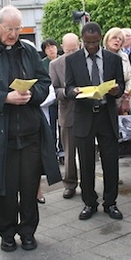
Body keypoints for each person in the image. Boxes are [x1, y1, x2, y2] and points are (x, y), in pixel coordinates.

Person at [0, 6, 61, 252]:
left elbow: (44, 82)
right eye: (9, 29)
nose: (14, 34)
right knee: (3, 189)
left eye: (18, 28)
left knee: (29, 187)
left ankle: (28, 231)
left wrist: (33, 94)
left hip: (28, 133)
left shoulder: (28, 50)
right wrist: (4, 98)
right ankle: (7, 233)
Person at [65, 22, 125, 220]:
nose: (91, 46)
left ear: (101, 39)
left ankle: (111, 203)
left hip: (106, 116)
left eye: (95, 42)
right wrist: (73, 92)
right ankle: (89, 203)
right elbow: (68, 87)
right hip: (85, 115)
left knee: (110, 162)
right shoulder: (73, 60)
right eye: (88, 43)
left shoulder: (113, 59)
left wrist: (117, 91)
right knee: (86, 162)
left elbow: (121, 85)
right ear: (82, 40)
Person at [49, 33, 81, 199]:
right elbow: (54, 90)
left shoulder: (85, 60)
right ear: (62, 48)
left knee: (87, 151)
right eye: (68, 51)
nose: (71, 54)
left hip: (86, 111)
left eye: (74, 50)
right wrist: (69, 92)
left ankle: (88, 183)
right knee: (69, 152)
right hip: (67, 111)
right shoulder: (55, 65)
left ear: (80, 46)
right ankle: (69, 184)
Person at [103, 27, 131, 115]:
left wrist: (127, 93)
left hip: (124, 100)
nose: (117, 40)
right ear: (107, 39)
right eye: (114, 37)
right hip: (106, 101)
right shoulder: (100, 57)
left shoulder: (124, 57)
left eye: (120, 39)